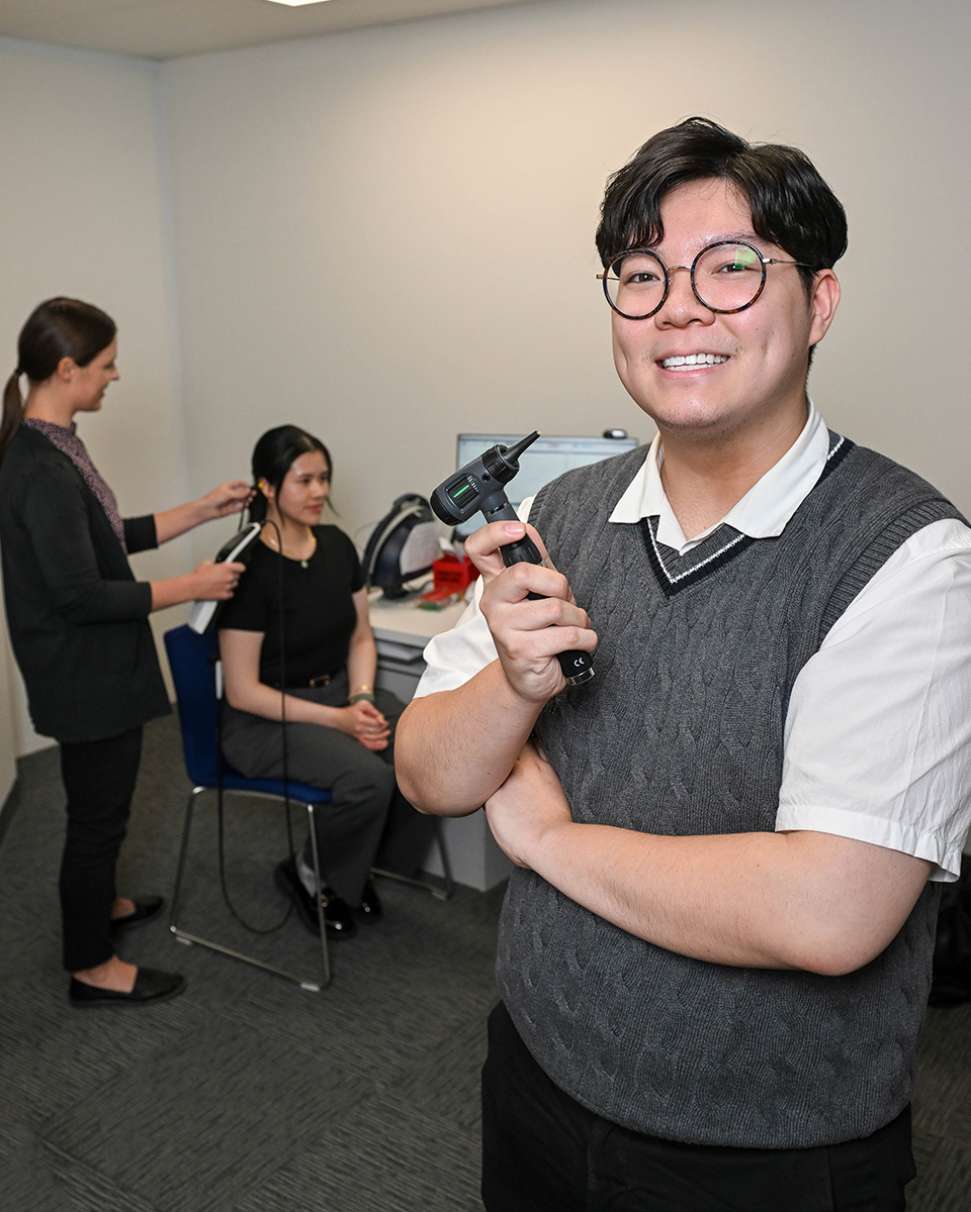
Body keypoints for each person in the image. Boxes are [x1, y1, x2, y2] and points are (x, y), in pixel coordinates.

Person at [395, 118, 971, 1210]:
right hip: (534, 1072)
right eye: (641, 275)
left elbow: (826, 911)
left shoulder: (907, 557)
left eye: (731, 268)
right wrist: (512, 687)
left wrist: (550, 837)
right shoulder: (557, 513)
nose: (678, 308)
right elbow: (429, 775)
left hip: (763, 1151)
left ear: (820, 304)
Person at [0, 296, 250, 1009]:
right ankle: (89, 965)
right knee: (96, 819)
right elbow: (80, 593)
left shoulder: (52, 442)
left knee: (99, 809)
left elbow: (109, 537)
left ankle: (98, 903)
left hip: (91, 670)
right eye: (107, 366)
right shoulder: (41, 467)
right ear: (68, 368)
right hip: (84, 677)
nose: (116, 376)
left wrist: (201, 509)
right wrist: (193, 585)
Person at [217, 424, 434, 940]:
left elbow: (361, 639)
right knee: (370, 780)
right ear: (267, 487)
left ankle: (354, 868)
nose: (319, 492)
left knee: (426, 744)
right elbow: (242, 690)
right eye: (304, 480)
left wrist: (359, 699)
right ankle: (312, 871)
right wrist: (340, 720)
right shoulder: (246, 563)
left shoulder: (336, 546)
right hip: (264, 718)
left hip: (338, 694)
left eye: (324, 479)